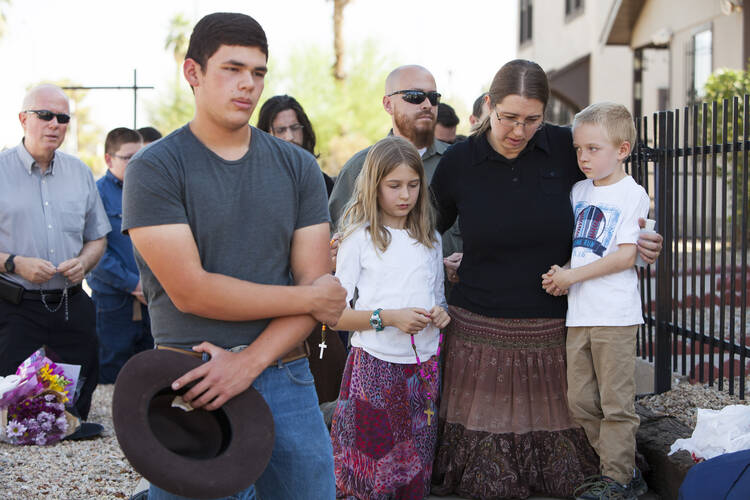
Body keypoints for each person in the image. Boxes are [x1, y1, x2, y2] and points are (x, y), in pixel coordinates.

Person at [121, 12, 346, 500]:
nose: (248, 85)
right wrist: (309, 298)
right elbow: (193, 290)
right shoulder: (154, 169)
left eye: (258, 72)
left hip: (287, 374)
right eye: (232, 69)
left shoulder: (299, 166)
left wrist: (250, 362)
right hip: (191, 379)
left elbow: (317, 288)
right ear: (193, 73)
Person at [429, 60, 663, 499]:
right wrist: (434, 261)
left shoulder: (568, 149)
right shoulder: (459, 161)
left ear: (545, 114)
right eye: (509, 118)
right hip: (480, 327)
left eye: (532, 119)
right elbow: (426, 230)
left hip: (557, 325)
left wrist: (646, 238)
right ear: (488, 106)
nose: (519, 130)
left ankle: (617, 477)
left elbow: (615, 203)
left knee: (582, 437)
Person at [330, 136, 450, 498]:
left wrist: (441, 314)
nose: (405, 195)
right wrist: (389, 317)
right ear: (374, 185)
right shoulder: (358, 238)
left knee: (413, 468)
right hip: (375, 369)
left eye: (413, 185)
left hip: (423, 369)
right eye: (394, 185)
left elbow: (438, 298)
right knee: (372, 471)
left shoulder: (431, 238)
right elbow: (335, 316)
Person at [541, 102, 650, 499]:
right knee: (580, 400)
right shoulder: (578, 191)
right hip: (579, 314)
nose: (583, 158)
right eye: (578, 150)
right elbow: (583, 247)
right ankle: (622, 471)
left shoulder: (632, 194)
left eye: (593, 149)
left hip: (616, 315)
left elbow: (624, 255)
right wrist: (563, 273)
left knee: (617, 404)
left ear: (622, 150)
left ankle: (618, 480)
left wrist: (572, 276)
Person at [0, 84, 110, 422]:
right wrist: (14, 263)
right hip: (15, 306)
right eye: (44, 115)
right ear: (23, 119)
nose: (54, 124)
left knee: (76, 403)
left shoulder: (79, 173)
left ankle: (64, 428)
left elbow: (97, 238)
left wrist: (84, 262)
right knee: (7, 399)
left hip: (69, 303)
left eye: (62, 118)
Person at [88, 127, 152, 384]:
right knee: (113, 368)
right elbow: (96, 253)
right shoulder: (96, 195)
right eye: (128, 158)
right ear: (108, 159)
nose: (135, 163)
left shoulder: (150, 190)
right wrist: (134, 284)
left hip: (153, 299)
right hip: (113, 302)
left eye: (140, 156)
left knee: (150, 367)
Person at [257, 94, 335, 195]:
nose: (290, 137)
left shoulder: (324, 183)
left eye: (295, 128)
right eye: (280, 130)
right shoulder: (255, 185)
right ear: (265, 135)